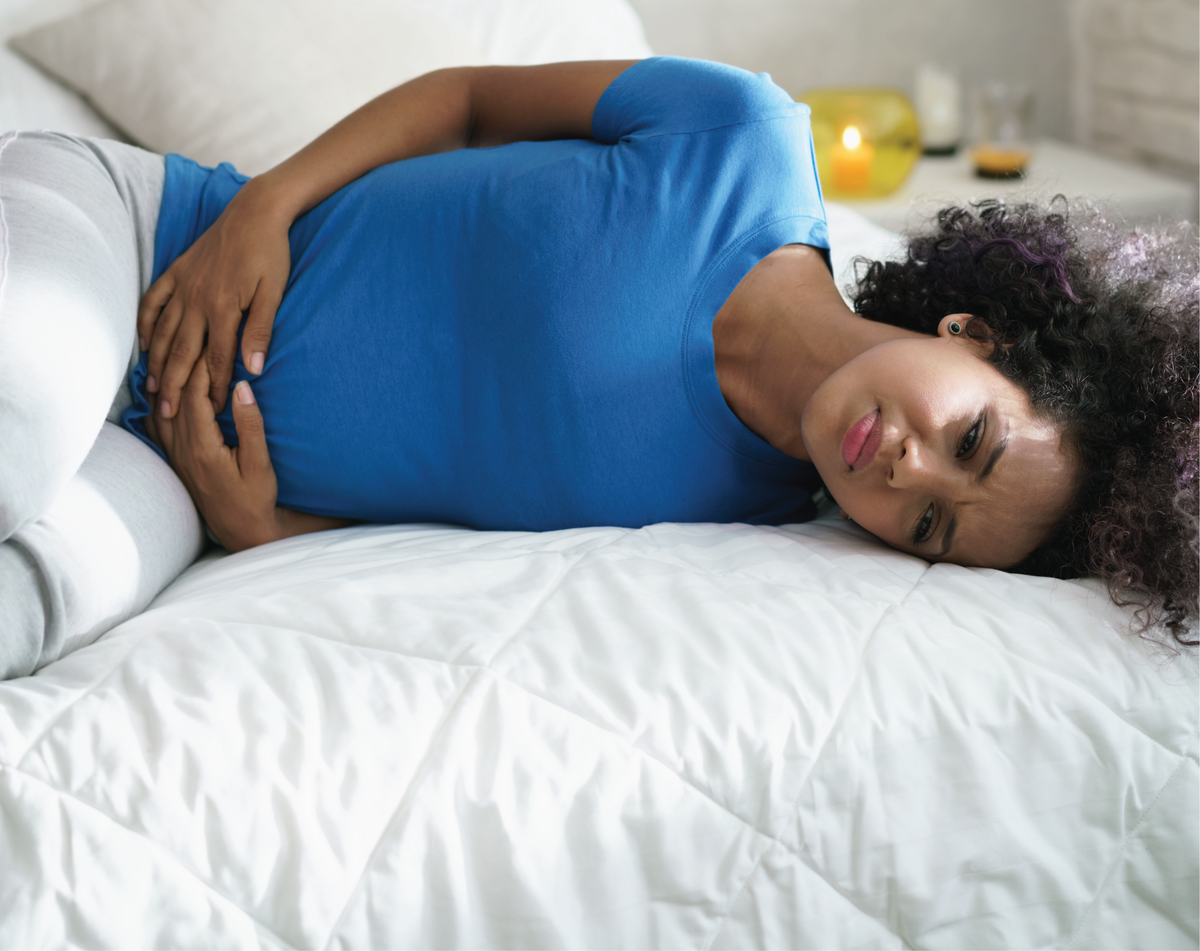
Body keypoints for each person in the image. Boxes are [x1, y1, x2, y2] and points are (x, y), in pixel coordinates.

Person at [0, 58, 1194, 683]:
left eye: (932, 526)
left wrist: (267, 530)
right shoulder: (742, 139)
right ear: (974, 337)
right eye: (971, 437)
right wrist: (262, 206)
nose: (909, 472)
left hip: (173, 464)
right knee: (17, 424)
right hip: (148, 235)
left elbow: (454, 498)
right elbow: (467, 101)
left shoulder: (735, 527)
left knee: (37, 604)